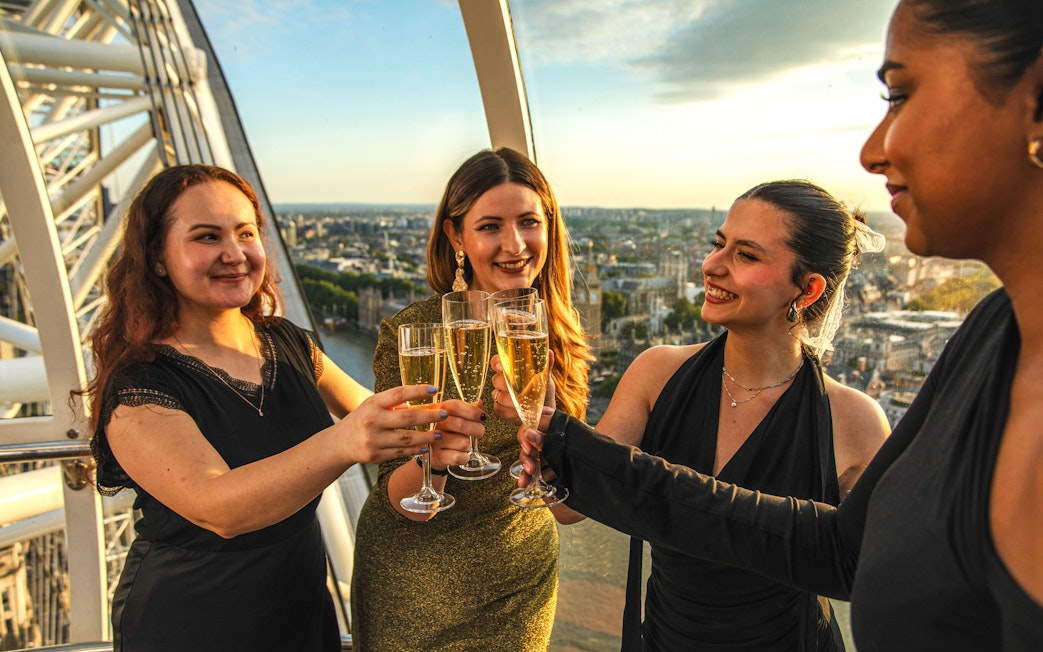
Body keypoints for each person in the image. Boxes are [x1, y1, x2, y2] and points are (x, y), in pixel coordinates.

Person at [516, 1, 1043, 650]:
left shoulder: (861, 412)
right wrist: (568, 455)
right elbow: (843, 549)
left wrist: (586, 461)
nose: (872, 150)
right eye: (719, 244)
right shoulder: (995, 332)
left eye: (901, 94)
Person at [83, 164, 481, 651]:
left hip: (301, 613)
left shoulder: (289, 343)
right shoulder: (140, 385)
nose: (234, 254)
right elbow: (218, 507)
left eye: (245, 233)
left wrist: (434, 445)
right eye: (207, 237)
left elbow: (382, 421)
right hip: (193, 624)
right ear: (158, 259)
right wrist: (343, 441)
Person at [496, 180, 890, 650]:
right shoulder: (655, 372)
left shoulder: (855, 421)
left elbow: (878, 576)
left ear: (807, 289)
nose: (711, 266)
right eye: (717, 245)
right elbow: (569, 509)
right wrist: (548, 436)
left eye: (745, 255)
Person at [350, 147, 592, 651]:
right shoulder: (412, 332)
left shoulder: (555, 332)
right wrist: (435, 458)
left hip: (517, 589)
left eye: (529, 221)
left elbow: (570, 509)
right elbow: (398, 500)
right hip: (413, 586)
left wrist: (550, 441)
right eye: (489, 227)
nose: (515, 244)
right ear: (455, 236)